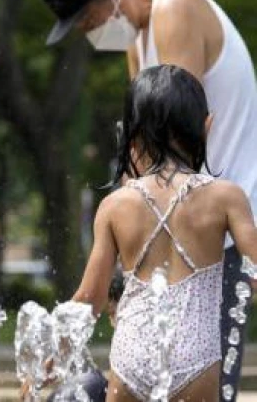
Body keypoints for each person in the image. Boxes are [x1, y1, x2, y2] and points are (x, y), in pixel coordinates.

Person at [40, 0, 257, 393]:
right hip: (178, 227)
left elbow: (175, 132)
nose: (91, 32)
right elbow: (143, 155)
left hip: (213, 229)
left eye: (89, 20)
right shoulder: (139, 38)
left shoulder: (177, 8)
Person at [69, 66, 257, 401]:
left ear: (132, 135)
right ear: (206, 126)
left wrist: (52, 356)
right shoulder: (226, 196)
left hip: (130, 358)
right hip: (197, 358)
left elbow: (89, 299)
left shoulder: (115, 205)